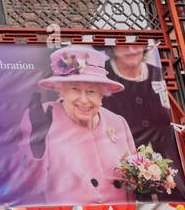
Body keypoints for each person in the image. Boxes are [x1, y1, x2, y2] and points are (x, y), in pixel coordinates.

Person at [25, 45, 136, 196]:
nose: (83, 100)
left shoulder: (117, 122)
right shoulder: (42, 117)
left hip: (121, 209)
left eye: (91, 91)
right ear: (61, 90)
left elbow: (133, 179)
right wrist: (37, 149)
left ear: (102, 93)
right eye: (75, 89)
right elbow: (28, 183)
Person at [104, 43, 183, 168]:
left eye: (136, 44)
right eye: (123, 45)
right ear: (111, 47)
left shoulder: (159, 73)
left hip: (166, 158)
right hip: (119, 160)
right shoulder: (102, 77)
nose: (131, 50)